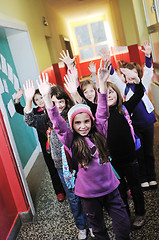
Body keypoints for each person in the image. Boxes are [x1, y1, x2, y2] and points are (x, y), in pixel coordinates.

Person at [37, 59, 131, 240]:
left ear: (92, 121)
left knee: (123, 224)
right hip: (88, 195)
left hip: (111, 189)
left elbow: (102, 111)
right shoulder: (70, 139)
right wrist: (47, 98)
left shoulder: (100, 132)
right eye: (77, 123)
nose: (82, 126)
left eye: (86, 121)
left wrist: (102, 84)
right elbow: (57, 124)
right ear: (72, 125)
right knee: (98, 230)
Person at [64, 61, 146, 229]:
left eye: (111, 92)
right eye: (105, 93)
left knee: (135, 186)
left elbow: (138, 94)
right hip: (112, 161)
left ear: (117, 94)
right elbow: (85, 101)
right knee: (120, 190)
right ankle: (124, 215)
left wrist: (137, 80)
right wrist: (74, 78)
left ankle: (140, 213)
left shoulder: (124, 108)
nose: (108, 95)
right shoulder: (98, 111)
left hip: (130, 157)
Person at [23, 78, 94, 240]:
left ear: (65, 100)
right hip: (62, 165)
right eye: (54, 103)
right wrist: (28, 100)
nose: (59, 106)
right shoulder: (47, 119)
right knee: (73, 197)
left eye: (61, 101)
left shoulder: (74, 113)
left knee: (87, 195)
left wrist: (75, 92)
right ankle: (81, 226)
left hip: (81, 162)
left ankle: (92, 225)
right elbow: (29, 120)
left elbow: (88, 108)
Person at [108, 40, 157, 190]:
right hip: (134, 126)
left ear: (138, 74)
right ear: (124, 76)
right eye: (127, 74)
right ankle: (142, 177)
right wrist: (106, 61)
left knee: (149, 152)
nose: (130, 76)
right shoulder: (123, 87)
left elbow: (148, 70)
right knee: (139, 154)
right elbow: (113, 76)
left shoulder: (142, 83)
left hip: (148, 123)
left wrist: (148, 55)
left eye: (133, 73)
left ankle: (152, 177)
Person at [14, 87, 65, 202]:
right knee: (52, 168)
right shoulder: (35, 112)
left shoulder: (54, 108)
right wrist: (17, 99)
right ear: (34, 102)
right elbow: (20, 110)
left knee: (64, 165)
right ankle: (59, 191)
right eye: (37, 100)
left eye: (42, 97)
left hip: (59, 142)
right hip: (46, 145)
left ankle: (69, 188)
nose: (40, 101)